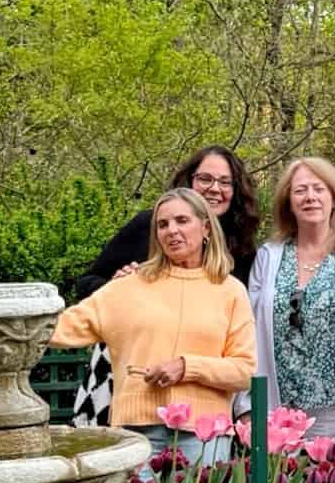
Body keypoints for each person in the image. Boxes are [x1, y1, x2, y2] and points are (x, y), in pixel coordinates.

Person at [50, 192, 256, 460]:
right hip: (136, 433)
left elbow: (245, 370)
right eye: (163, 224)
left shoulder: (231, 291)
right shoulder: (128, 287)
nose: (172, 231)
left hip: (204, 436)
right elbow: (58, 328)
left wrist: (186, 367)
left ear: (206, 227)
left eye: (182, 221)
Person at [70, 147, 261, 429]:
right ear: (189, 181)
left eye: (224, 182)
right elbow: (87, 283)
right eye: (205, 179)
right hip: (126, 380)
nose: (214, 189)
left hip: (200, 396)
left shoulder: (241, 249)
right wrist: (115, 287)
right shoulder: (151, 226)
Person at [247, 158, 335, 435]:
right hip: (279, 411)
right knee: (282, 480)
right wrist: (246, 404)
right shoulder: (268, 256)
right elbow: (248, 329)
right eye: (300, 191)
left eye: (318, 189)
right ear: (288, 202)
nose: (310, 197)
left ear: (333, 197)